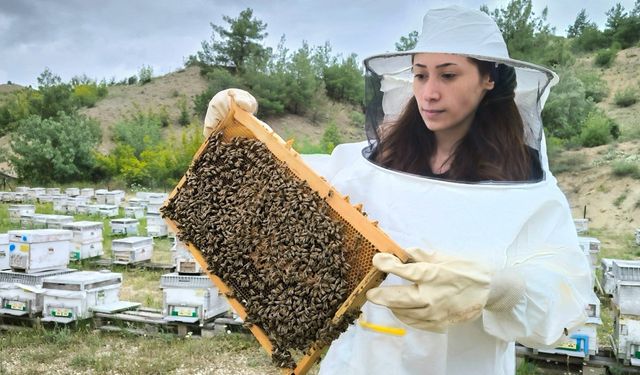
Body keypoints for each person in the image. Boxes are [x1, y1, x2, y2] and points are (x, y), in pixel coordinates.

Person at [203, 6, 595, 375]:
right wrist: (235, 138)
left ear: (488, 79)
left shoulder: (529, 189)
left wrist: (502, 289)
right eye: (420, 74)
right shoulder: (361, 164)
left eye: (448, 74)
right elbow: (287, 187)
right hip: (357, 363)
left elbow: (566, 288)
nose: (429, 92)